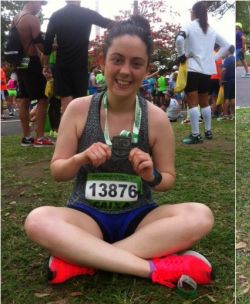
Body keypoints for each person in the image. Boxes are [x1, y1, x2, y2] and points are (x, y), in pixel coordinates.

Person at [24, 15, 214, 289]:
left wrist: (151, 175)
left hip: (140, 219)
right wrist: (81, 157)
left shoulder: (157, 119)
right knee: (37, 220)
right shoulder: (78, 109)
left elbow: (168, 179)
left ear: (147, 69)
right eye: (117, 60)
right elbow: (58, 171)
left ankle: (84, 257)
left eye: (136, 63)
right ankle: (152, 268)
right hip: (86, 216)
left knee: (201, 215)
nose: (125, 71)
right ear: (103, 62)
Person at [43, 0, 113, 115]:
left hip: (62, 64)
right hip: (80, 64)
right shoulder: (87, 13)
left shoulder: (57, 15)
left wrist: (45, 65)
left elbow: (48, 42)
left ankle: (67, 130)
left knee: (65, 100)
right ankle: (80, 130)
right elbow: (109, 23)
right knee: (80, 100)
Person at [175, 1, 230, 144]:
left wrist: (181, 55)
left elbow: (179, 38)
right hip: (207, 71)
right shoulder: (211, 30)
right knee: (204, 102)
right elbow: (227, 45)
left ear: (193, 12)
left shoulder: (190, 26)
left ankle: (195, 134)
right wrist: (213, 59)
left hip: (193, 68)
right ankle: (208, 131)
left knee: (192, 102)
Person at [13, 1, 53, 147]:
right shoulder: (32, 19)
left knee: (24, 99)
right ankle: (40, 138)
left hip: (20, 63)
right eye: (40, 4)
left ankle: (26, 138)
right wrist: (54, 46)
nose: (40, 8)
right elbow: (41, 45)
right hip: (31, 62)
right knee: (43, 99)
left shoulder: (16, 18)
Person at [219, 45, 235, 120]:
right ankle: (233, 114)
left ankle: (225, 115)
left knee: (226, 98)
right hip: (233, 80)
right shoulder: (234, 59)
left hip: (227, 80)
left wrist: (221, 79)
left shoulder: (227, 59)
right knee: (232, 97)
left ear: (228, 51)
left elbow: (223, 70)